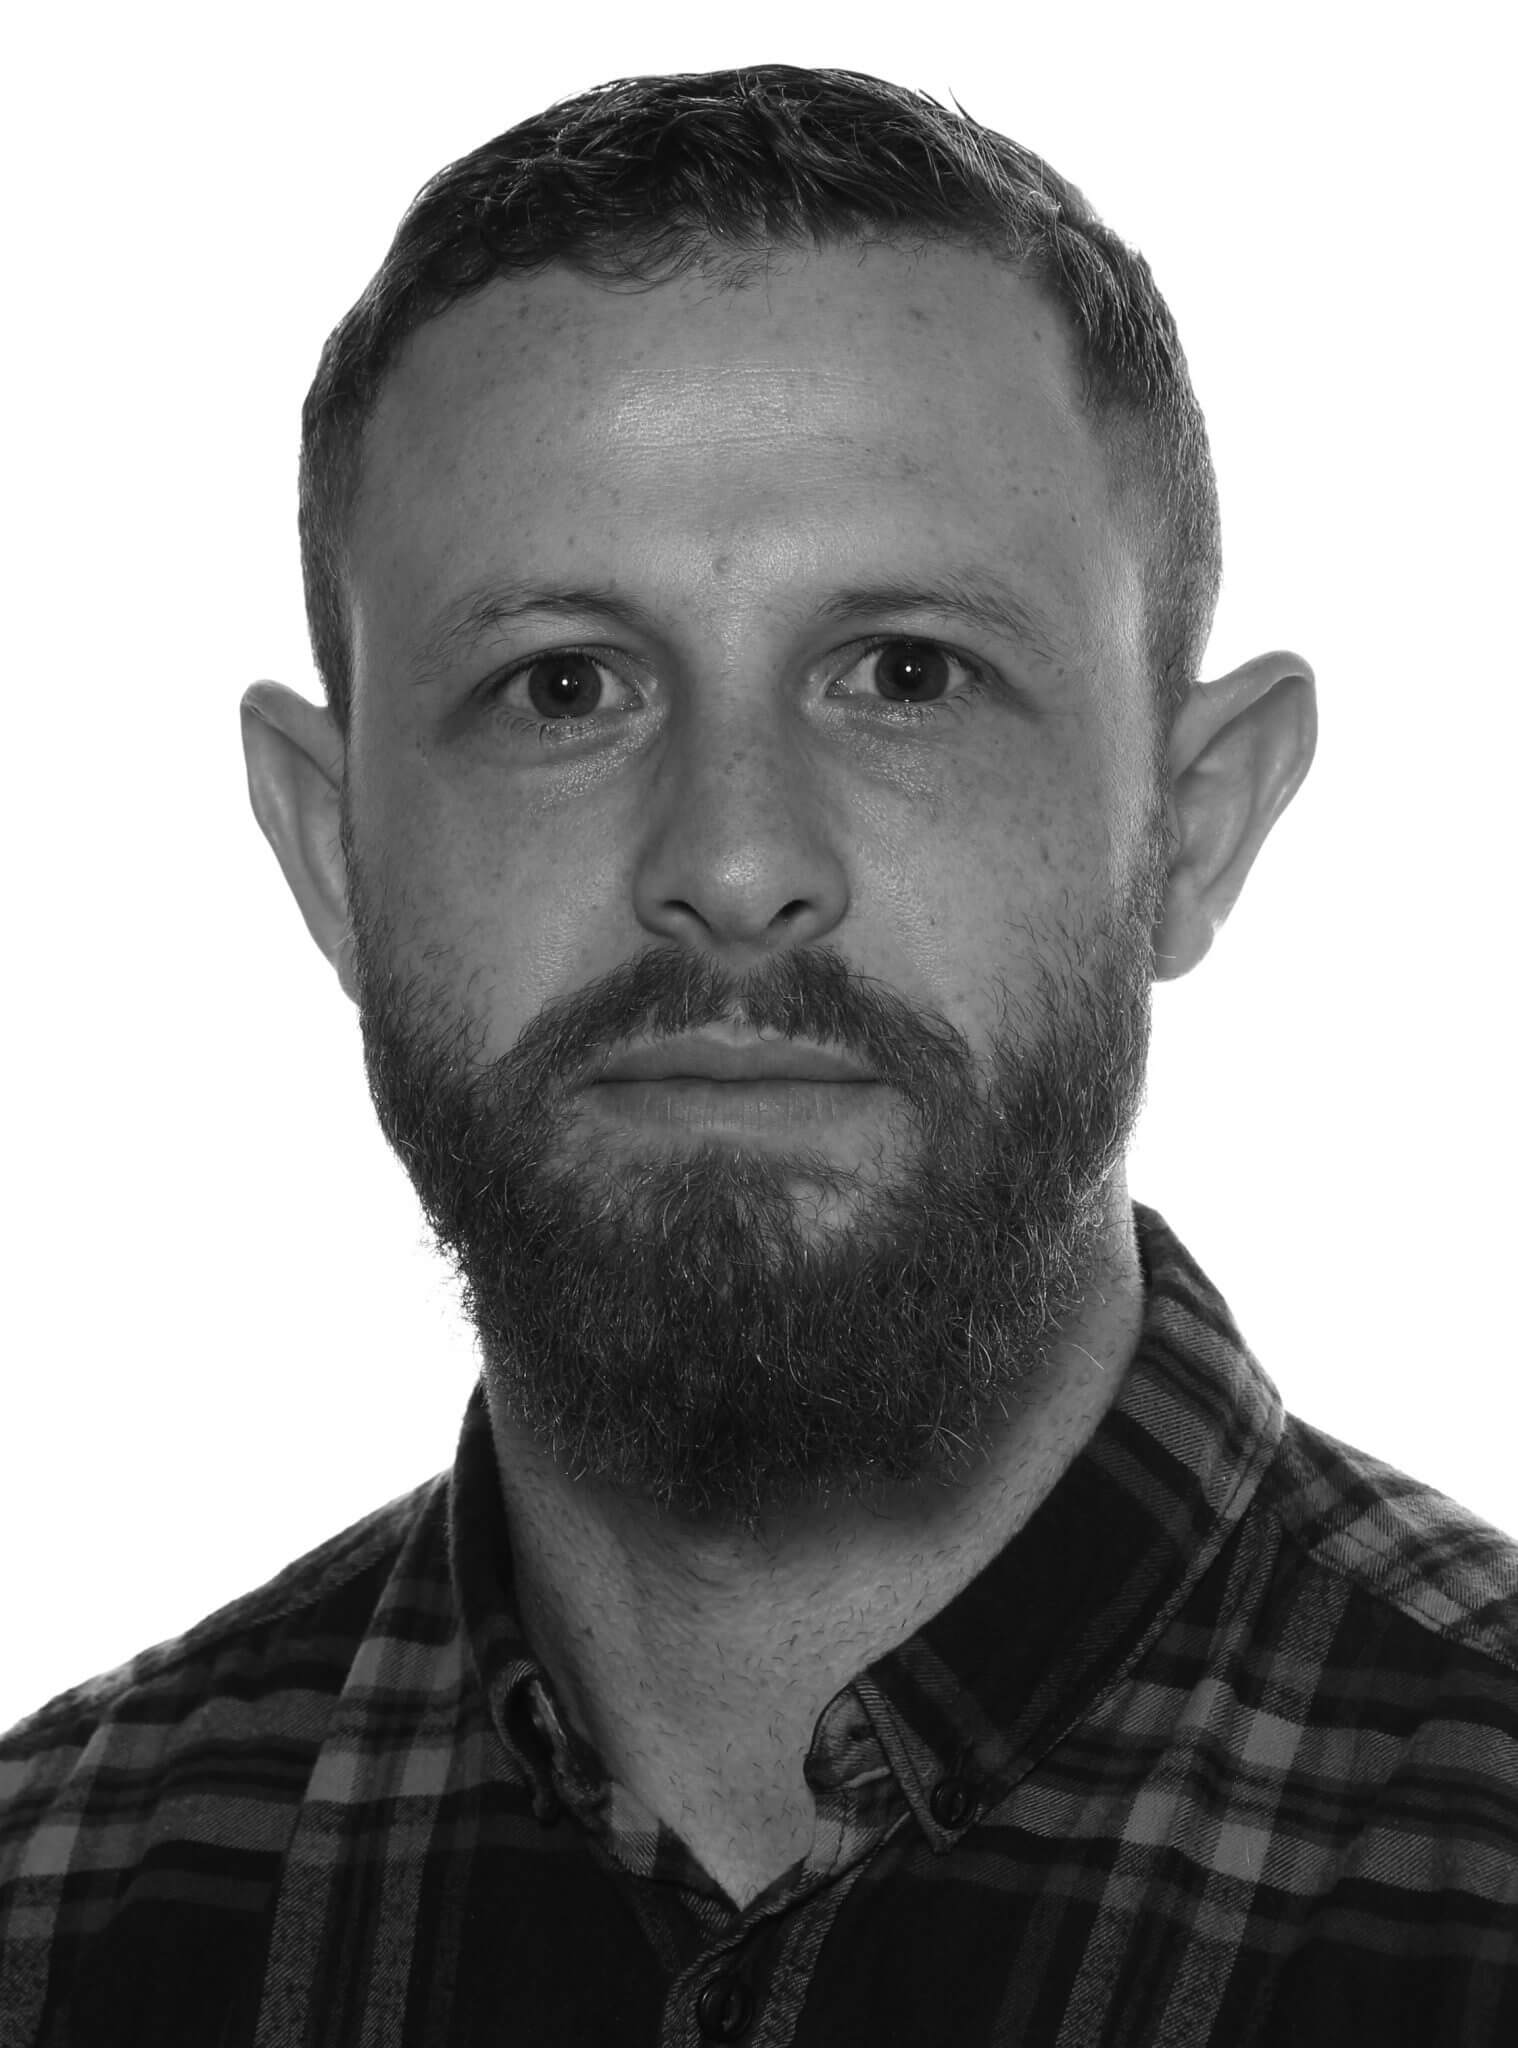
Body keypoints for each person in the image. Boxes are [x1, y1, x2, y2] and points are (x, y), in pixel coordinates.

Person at [2, 62, 1514, 2048]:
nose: (729, 864)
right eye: (562, 685)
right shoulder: (50, 1916)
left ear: (1194, 824)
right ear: (329, 847)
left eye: (906, 673)